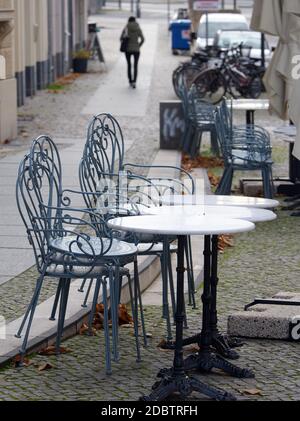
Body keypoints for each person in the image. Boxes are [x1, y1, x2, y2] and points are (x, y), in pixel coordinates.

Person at [120, 17, 145, 89]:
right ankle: (134, 82)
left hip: (127, 49)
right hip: (136, 50)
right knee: (135, 65)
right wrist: (138, 46)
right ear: (135, 21)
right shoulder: (138, 28)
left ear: (129, 21)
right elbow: (143, 39)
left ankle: (130, 81)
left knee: (129, 65)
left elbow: (121, 38)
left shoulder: (126, 27)